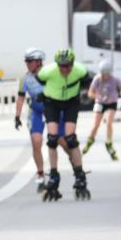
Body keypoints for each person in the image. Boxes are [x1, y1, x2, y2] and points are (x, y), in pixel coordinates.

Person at [36, 49, 92, 201]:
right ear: (57, 65)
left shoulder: (80, 70)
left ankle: (80, 175)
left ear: (73, 64)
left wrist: (82, 89)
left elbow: (88, 80)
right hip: (51, 102)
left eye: (68, 66)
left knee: (71, 139)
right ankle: (53, 175)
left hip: (71, 102)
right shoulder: (48, 71)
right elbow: (39, 78)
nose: (65, 69)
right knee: (52, 139)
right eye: (62, 66)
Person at [14, 48, 51, 191]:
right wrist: (17, 116)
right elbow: (21, 97)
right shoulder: (25, 78)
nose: (27, 64)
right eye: (26, 61)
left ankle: (74, 168)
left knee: (61, 140)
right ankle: (41, 174)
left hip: (51, 109)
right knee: (36, 142)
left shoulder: (49, 74)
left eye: (30, 61)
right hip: (36, 111)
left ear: (39, 61)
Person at [82, 60, 121, 161]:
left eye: (106, 74)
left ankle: (109, 143)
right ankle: (89, 142)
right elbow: (90, 92)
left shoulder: (115, 80)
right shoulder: (97, 79)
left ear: (110, 73)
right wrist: (96, 96)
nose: (104, 76)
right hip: (100, 103)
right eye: (103, 74)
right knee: (96, 125)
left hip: (111, 103)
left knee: (109, 123)